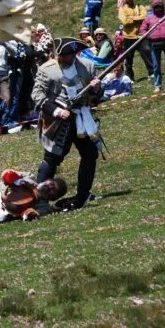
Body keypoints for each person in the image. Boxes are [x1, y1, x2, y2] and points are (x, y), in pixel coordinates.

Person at [33, 38, 102, 211]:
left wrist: (96, 88)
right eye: (62, 55)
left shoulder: (87, 66)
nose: (64, 58)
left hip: (82, 118)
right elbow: (37, 96)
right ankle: (38, 198)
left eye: (68, 55)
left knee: (90, 154)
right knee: (52, 158)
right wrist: (57, 111)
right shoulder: (46, 70)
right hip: (59, 121)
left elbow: (97, 96)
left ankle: (83, 194)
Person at [118, 0, 154, 81]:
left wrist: (131, 18)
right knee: (128, 58)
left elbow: (145, 17)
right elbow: (124, 21)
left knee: (146, 52)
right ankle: (130, 77)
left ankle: (152, 72)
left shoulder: (140, 7)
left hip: (140, 35)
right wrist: (137, 19)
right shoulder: (122, 9)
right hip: (128, 36)